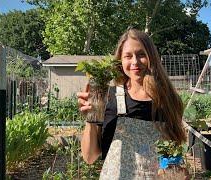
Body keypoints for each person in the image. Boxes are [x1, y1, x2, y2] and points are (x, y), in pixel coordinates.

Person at [77, 28, 186, 179]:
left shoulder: (168, 100)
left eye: (141, 54)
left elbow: (174, 153)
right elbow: (90, 157)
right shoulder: (109, 97)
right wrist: (91, 118)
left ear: (152, 57)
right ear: (120, 61)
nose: (135, 62)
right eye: (128, 56)